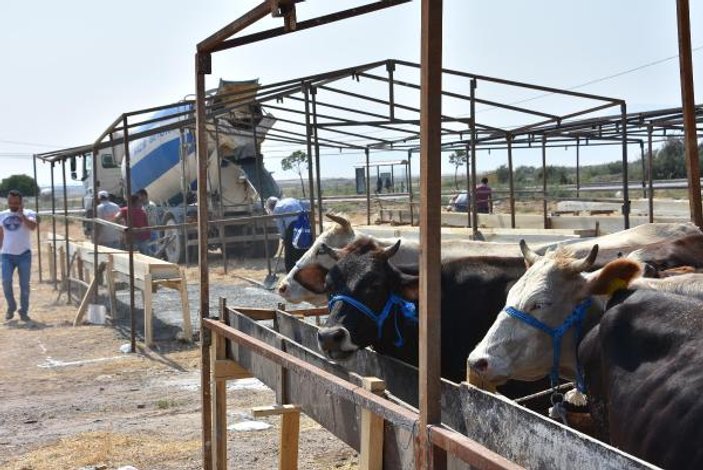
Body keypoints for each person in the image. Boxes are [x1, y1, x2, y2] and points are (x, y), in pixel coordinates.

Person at [1, 190, 37, 321]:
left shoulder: (30, 213)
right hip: (6, 255)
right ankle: (11, 306)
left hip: (24, 255)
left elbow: (33, 227)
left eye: (16, 202)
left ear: (21, 202)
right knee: (5, 282)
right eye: (10, 202)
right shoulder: (2, 215)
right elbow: (1, 234)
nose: (13, 205)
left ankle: (24, 311)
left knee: (24, 285)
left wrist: (22, 215)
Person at [265, 196, 308, 272]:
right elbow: (304, 205)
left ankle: (291, 273)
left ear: (271, 207)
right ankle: (304, 270)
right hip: (305, 223)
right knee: (304, 249)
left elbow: (281, 226)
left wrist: (284, 238)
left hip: (293, 226)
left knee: (289, 255)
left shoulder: (277, 209)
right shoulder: (291, 199)